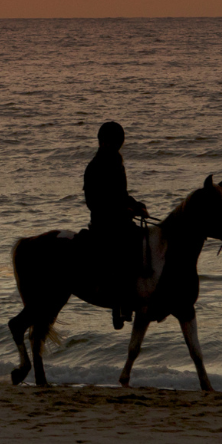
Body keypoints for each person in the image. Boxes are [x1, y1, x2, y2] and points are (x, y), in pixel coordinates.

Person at [84, 121, 150, 329]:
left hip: (120, 220)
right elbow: (94, 202)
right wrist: (123, 211)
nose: (115, 147)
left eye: (117, 143)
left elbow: (121, 196)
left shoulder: (116, 163)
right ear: (103, 143)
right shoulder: (94, 167)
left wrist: (135, 205)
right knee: (123, 252)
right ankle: (119, 304)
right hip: (104, 224)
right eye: (112, 143)